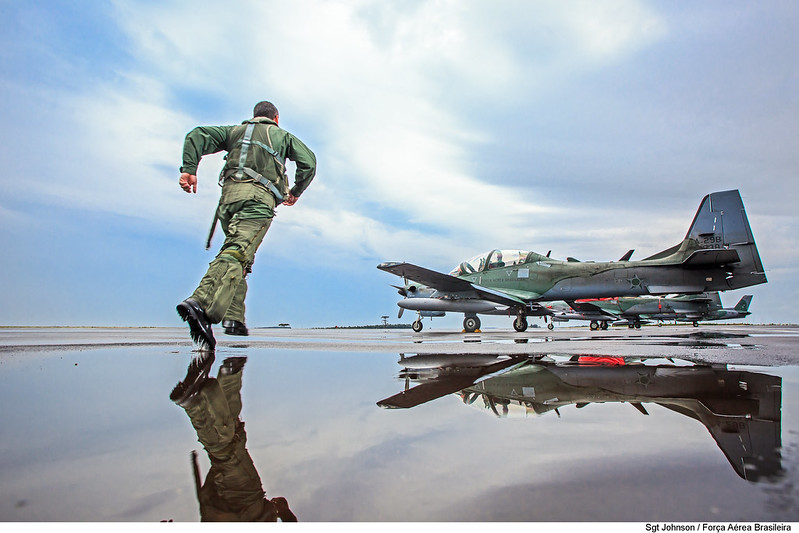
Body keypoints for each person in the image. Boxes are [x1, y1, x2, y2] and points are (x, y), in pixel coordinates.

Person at [176, 101, 316, 348]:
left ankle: (234, 319)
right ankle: (201, 303)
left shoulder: (234, 132)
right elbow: (309, 162)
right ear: (276, 118)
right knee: (237, 252)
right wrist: (295, 191)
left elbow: (197, 135)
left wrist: (190, 169)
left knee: (240, 255)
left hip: (228, 203)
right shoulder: (281, 136)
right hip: (257, 201)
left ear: (254, 116)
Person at [170, 355, 297, 521]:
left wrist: (284, 512)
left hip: (247, 508)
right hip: (215, 511)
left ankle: (195, 404)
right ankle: (230, 374)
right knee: (231, 444)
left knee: (227, 454)